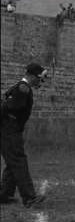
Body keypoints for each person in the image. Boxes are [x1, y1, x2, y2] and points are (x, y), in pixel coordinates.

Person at [0, 63, 48, 207]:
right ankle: (29, 197)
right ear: (31, 76)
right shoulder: (23, 88)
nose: (40, 81)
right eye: (39, 78)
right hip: (9, 129)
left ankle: (4, 194)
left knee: (12, 161)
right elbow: (9, 107)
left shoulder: (20, 87)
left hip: (8, 128)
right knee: (18, 160)